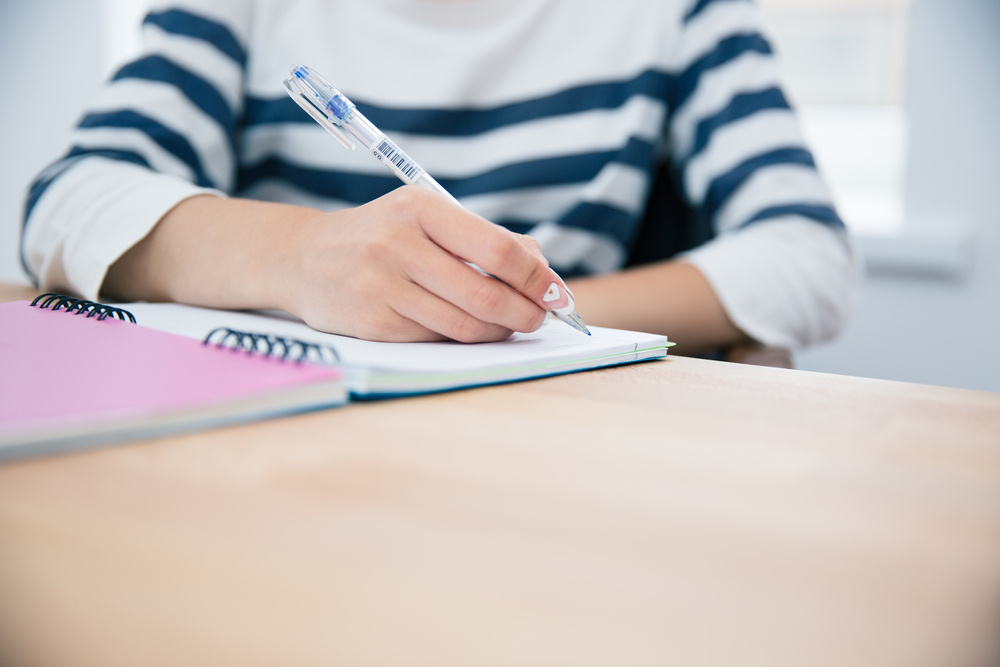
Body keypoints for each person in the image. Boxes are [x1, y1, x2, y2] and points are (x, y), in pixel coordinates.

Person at [20, 0, 860, 355]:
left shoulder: (675, 15)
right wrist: (300, 256)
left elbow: (808, 256)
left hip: (561, 442)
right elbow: (64, 201)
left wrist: (515, 317)